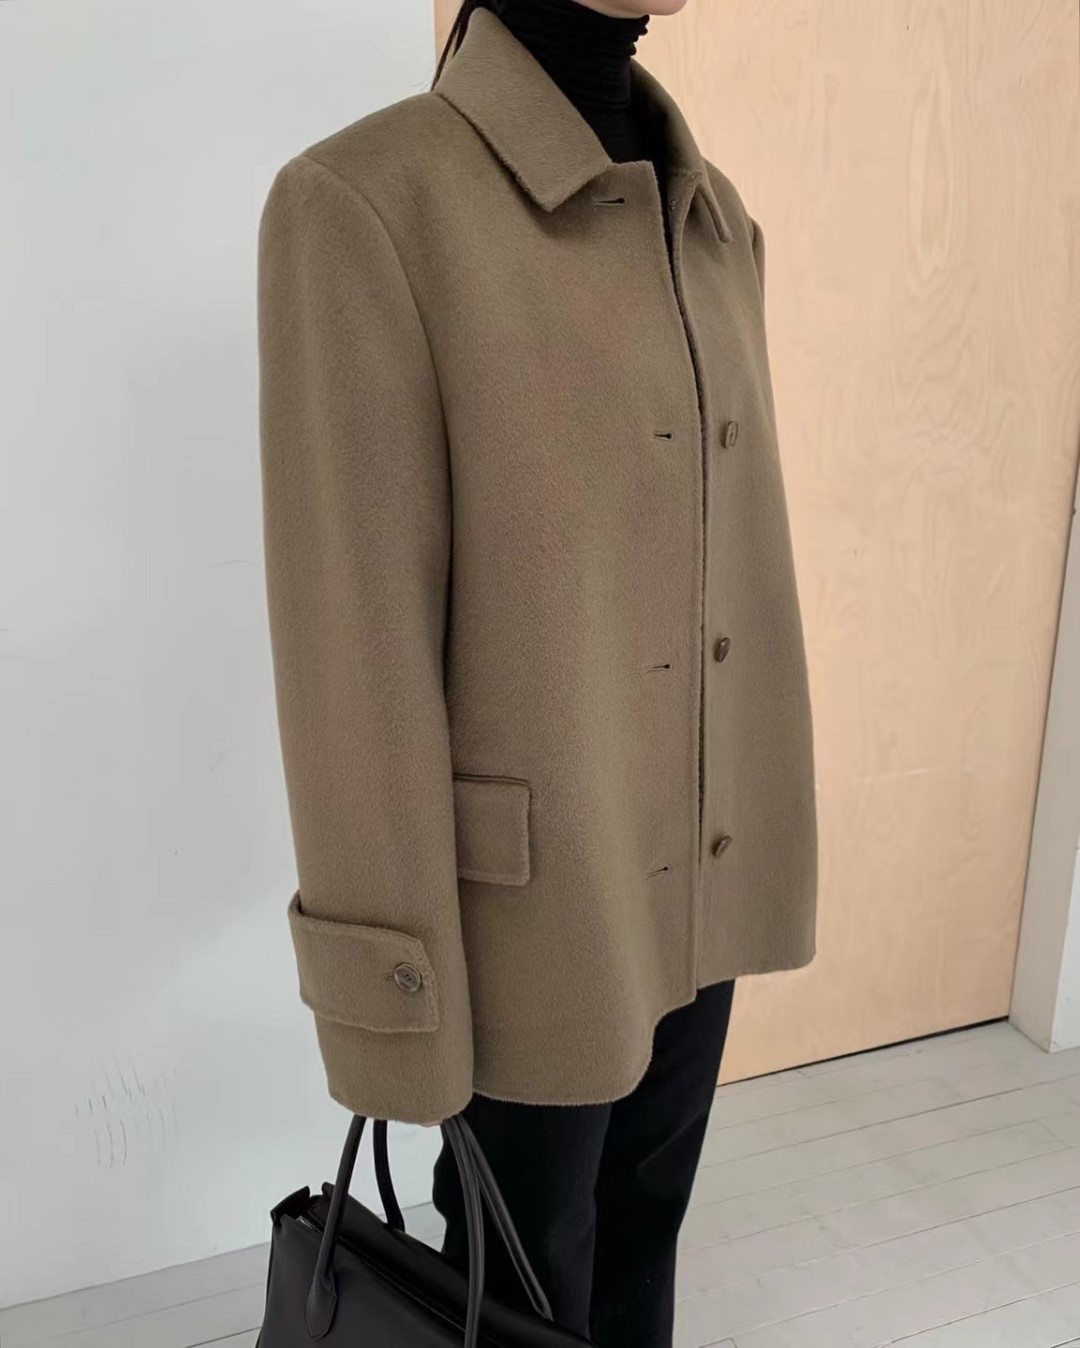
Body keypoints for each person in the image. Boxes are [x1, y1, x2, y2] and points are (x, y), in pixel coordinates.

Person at [255, 1, 817, 1344]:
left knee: (646, 1231)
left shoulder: (715, 222)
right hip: (525, 913)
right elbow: (353, 651)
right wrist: (388, 991)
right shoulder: (363, 205)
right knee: (523, 1281)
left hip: (696, 872)